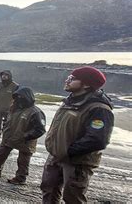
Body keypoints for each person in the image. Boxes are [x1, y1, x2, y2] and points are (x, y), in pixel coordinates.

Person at [41, 66, 114, 203]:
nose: (67, 80)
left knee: (73, 197)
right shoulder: (70, 101)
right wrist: (55, 149)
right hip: (56, 156)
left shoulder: (99, 108)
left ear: (86, 84)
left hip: (77, 162)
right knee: (48, 189)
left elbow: (97, 139)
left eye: (72, 79)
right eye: (68, 77)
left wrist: (68, 151)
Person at [0, 86, 46, 185]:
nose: (18, 99)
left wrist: (26, 136)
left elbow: (40, 129)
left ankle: (21, 178)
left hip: (25, 141)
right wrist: (5, 129)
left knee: (23, 161)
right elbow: (7, 120)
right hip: (9, 137)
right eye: (16, 96)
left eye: (20, 96)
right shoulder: (14, 108)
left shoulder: (36, 112)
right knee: (1, 154)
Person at [0, 70, 18, 143]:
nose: (4, 76)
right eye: (3, 75)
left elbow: (18, 98)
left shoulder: (15, 86)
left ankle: (6, 138)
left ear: (9, 76)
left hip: (9, 109)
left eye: (6, 75)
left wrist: (14, 107)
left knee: (7, 125)